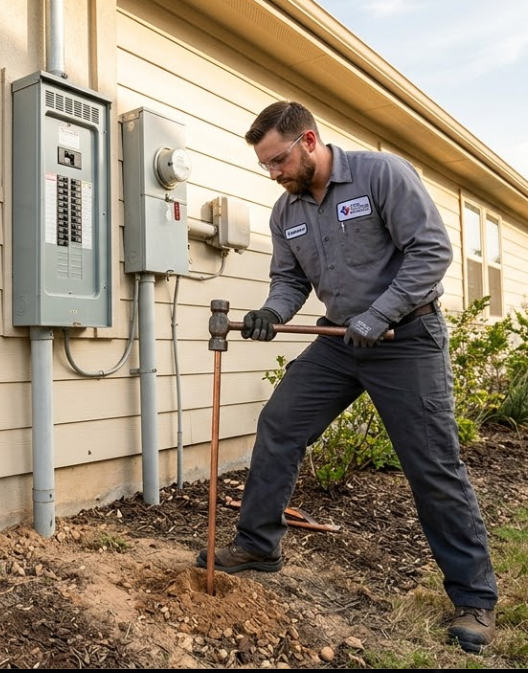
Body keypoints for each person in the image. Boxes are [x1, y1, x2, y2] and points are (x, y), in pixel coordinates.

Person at [197, 100, 498, 654]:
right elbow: (289, 280)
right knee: (280, 424)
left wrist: (379, 313)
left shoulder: (382, 175)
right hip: (341, 342)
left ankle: (474, 597)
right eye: (265, 165)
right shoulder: (285, 211)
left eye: (279, 160)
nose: (274, 173)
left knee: (432, 464)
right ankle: (258, 546)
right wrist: (273, 312)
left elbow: (431, 251)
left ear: (309, 141)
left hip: (405, 337)